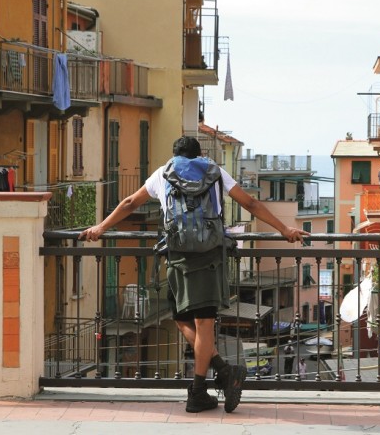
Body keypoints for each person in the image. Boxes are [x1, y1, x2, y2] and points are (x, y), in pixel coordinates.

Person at [79, 136, 309, 413]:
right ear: (199, 155)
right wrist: (285, 230)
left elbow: (129, 203)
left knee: (182, 319)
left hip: (177, 256)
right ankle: (212, 380)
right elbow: (250, 204)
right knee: (203, 325)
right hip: (210, 256)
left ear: (174, 155)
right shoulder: (213, 171)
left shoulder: (163, 173)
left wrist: (100, 228)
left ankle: (210, 382)